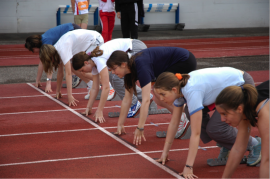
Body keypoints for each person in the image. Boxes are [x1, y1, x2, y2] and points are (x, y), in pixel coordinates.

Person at [153, 67, 261, 179]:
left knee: (215, 128)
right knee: (189, 112)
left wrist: (189, 166)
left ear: (174, 90)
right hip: (225, 88)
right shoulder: (180, 90)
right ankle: (226, 141)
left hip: (241, 85)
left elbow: (195, 133)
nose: (161, 99)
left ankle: (256, 144)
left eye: (163, 94)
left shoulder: (191, 91)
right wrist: (164, 153)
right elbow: (174, 122)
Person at [106, 47, 197, 145]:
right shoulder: (129, 72)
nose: (113, 72)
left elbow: (145, 101)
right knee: (158, 98)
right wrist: (120, 124)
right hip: (175, 62)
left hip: (184, 61)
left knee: (160, 93)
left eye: (114, 69)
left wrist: (140, 127)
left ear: (123, 64)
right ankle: (182, 116)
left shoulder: (141, 66)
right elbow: (126, 99)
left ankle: (184, 116)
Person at [72, 38, 149, 123]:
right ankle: (144, 97)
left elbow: (106, 88)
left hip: (135, 47)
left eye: (82, 70)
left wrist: (100, 110)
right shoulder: (94, 63)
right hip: (131, 48)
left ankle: (134, 104)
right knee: (115, 77)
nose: (83, 73)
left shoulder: (98, 60)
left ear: (86, 63)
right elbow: (95, 88)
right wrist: (88, 108)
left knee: (114, 77)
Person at [215, 80, 269, 179]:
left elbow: (267, 159)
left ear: (239, 109)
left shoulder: (264, 113)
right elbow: (238, 149)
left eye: (225, 114)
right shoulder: (245, 110)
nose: (222, 119)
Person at [39, 29, 104, 106]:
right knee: (76, 68)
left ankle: (107, 85)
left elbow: (68, 74)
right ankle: (92, 85)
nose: (51, 63)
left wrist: (69, 96)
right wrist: (58, 91)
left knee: (83, 68)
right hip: (88, 42)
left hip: (95, 41)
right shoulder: (56, 51)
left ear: (51, 56)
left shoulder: (63, 50)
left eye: (49, 61)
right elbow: (60, 73)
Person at [25, 23, 81, 92]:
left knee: (68, 57)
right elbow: (42, 62)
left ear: (35, 45)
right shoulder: (42, 42)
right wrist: (37, 81)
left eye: (32, 50)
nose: (33, 52)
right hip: (70, 30)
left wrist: (48, 83)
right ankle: (77, 75)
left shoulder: (46, 42)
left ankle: (76, 75)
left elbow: (50, 63)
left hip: (73, 30)